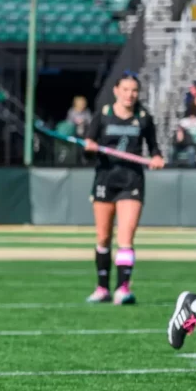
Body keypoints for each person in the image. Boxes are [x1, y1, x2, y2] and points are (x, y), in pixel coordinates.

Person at [84, 73, 164, 305]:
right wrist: (90, 147)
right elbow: (88, 150)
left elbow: (155, 148)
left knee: (126, 237)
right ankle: (102, 288)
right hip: (105, 179)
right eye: (126, 89)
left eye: (134, 90)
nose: (130, 95)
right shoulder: (104, 115)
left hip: (131, 181)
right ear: (117, 91)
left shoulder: (143, 117)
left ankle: (123, 289)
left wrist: (157, 158)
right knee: (103, 236)